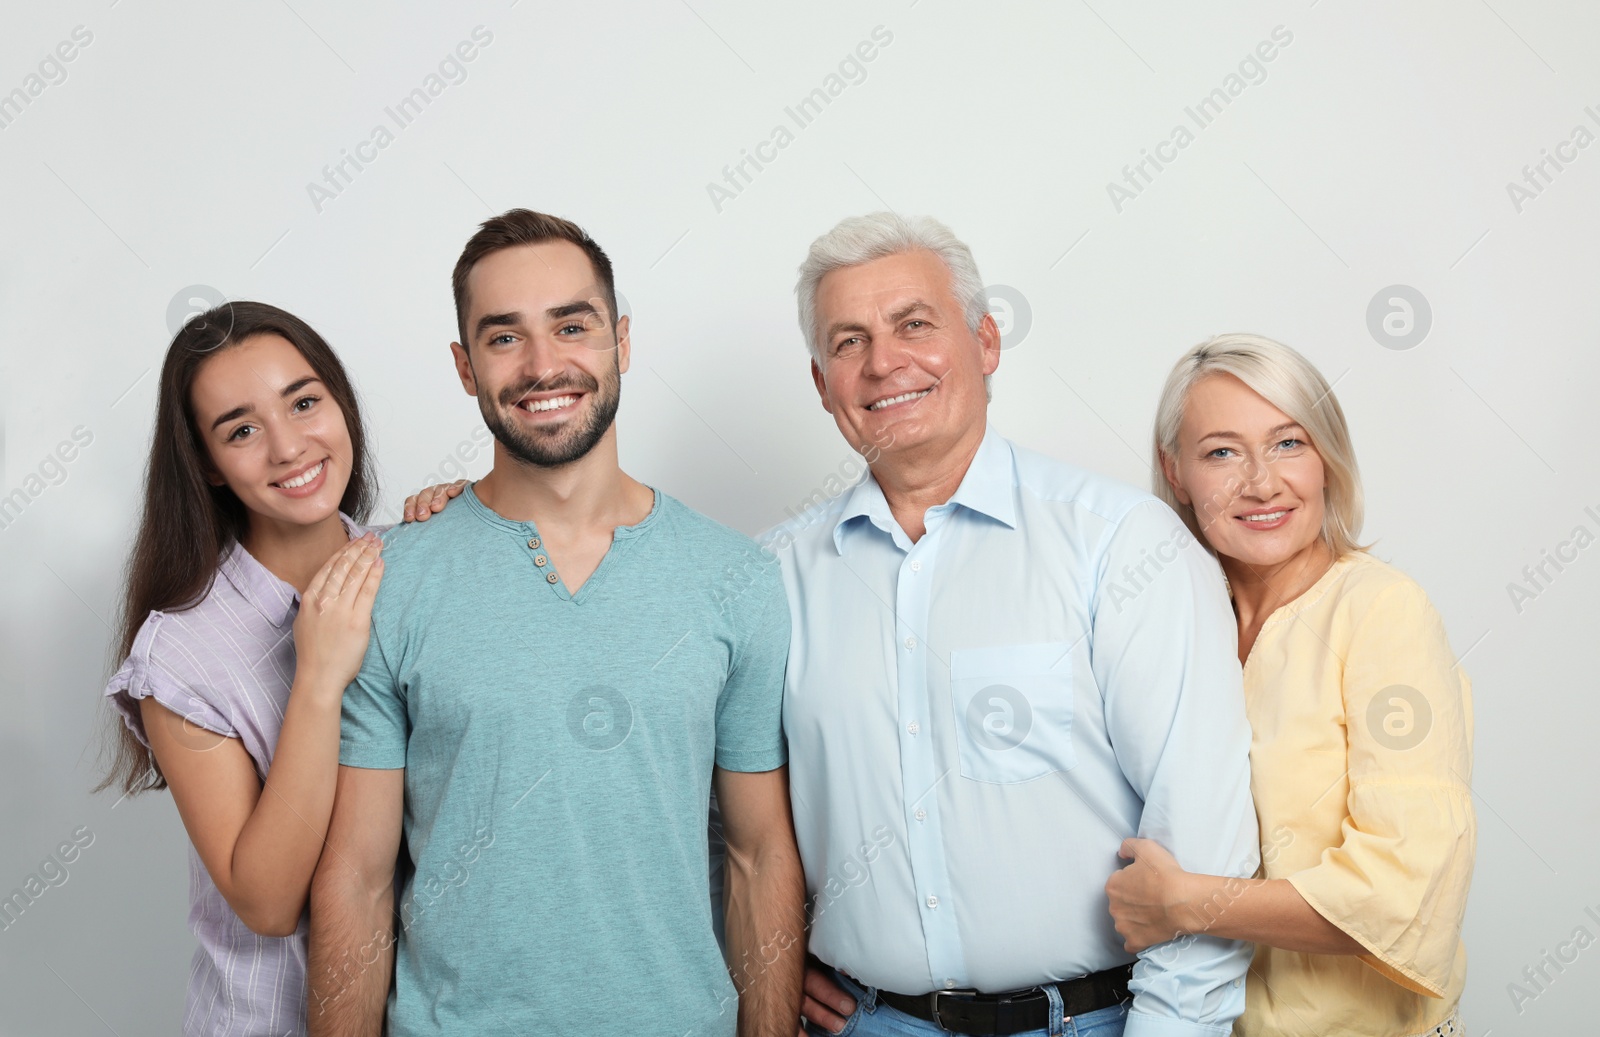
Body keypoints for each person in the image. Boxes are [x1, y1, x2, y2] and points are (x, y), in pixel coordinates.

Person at [306, 209, 805, 1037]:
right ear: (465, 368)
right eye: (504, 338)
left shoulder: (736, 578)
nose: (543, 365)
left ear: (622, 342)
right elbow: (356, 880)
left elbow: (758, 856)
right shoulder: (390, 580)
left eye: (572, 325)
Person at [775, 213, 1259, 1037]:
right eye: (847, 341)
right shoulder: (774, 575)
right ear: (823, 385)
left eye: (914, 325)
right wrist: (771, 957)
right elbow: (728, 818)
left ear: (986, 341)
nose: (883, 362)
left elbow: (1203, 845)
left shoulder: (1120, 545)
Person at [1105, 334, 1474, 1037]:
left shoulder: (1381, 612)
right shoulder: (1168, 621)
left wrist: (1186, 901)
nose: (1262, 482)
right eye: (1221, 451)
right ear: (1174, 471)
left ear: (1328, 458)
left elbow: (1402, 893)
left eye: (1288, 443)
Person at [100, 301, 387, 1037]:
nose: (289, 446)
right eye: (242, 429)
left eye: (304, 401)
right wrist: (318, 678)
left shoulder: (409, 564)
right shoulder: (179, 652)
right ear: (207, 464)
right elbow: (266, 902)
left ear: (340, 403)